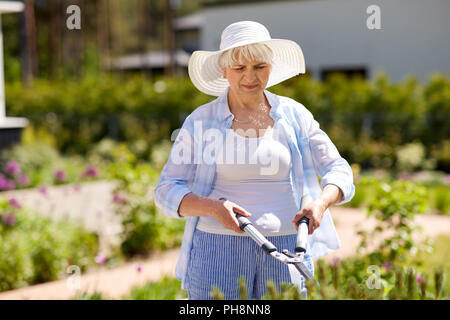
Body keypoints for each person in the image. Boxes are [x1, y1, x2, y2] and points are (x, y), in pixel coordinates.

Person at [154, 21, 355, 300]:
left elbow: (339, 170)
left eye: (259, 66)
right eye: (239, 68)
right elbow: (166, 190)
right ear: (224, 71)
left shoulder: (294, 115)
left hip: (287, 249)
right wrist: (213, 208)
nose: (250, 76)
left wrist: (320, 204)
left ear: (270, 69)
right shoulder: (201, 121)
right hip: (218, 250)